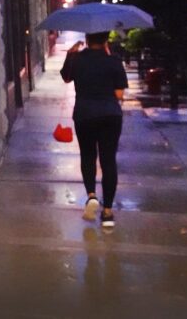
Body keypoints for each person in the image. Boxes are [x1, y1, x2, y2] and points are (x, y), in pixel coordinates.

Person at [60, 31, 128, 228]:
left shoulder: (77, 59)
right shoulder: (114, 61)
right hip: (110, 116)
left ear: (87, 39)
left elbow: (66, 78)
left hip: (84, 114)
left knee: (88, 156)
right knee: (108, 161)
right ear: (106, 40)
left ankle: (91, 196)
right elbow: (119, 93)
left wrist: (70, 54)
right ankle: (107, 212)